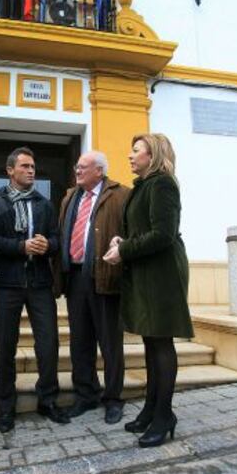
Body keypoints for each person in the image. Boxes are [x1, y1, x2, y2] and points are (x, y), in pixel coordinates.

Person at [104, 133, 194, 448]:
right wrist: (121, 241)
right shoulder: (143, 186)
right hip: (145, 271)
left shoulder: (163, 184)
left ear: (152, 155)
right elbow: (139, 230)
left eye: (136, 150)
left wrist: (125, 250)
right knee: (150, 341)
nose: (129, 155)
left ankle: (164, 415)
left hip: (162, 273)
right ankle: (151, 409)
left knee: (160, 342)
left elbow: (163, 234)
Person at [0, 146, 69, 433]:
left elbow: (57, 239)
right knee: (5, 346)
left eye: (33, 167)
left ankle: (47, 400)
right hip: (6, 283)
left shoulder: (44, 204)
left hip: (40, 283)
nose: (31, 171)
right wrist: (21, 246)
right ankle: (6, 407)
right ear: (10, 170)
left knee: (48, 344)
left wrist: (49, 246)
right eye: (25, 166)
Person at [54, 151, 130, 424]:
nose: (77, 170)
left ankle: (113, 399)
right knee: (80, 341)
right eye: (77, 166)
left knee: (110, 342)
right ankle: (86, 394)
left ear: (99, 171)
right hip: (75, 277)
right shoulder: (70, 196)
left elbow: (130, 235)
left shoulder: (120, 194)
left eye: (83, 167)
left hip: (105, 276)